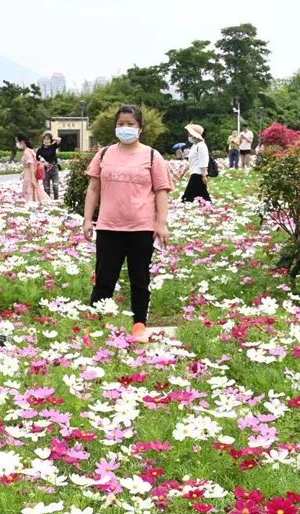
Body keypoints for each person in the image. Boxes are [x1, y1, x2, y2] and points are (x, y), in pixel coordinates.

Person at [82, 104, 172, 344]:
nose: (125, 128)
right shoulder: (104, 155)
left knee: (140, 279)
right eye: (121, 124)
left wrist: (161, 224)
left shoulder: (152, 156)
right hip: (109, 227)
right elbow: (93, 188)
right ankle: (97, 324)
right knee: (104, 278)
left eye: (130, 124)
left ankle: (139, 325)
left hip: (141, 228)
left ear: (140, 128)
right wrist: (87, 219)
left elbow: (161, 191)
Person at [181, 123, 211, 203]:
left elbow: (203, 161)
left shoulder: (201, 146)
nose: (188, 135)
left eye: (190, 134)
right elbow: (191, 161)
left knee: (190, 195)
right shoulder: (194, 146)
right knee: (201, 194)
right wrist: (184, 171)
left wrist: (204, 175)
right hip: (194, 172)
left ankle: (207, 206)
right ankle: (208, 206)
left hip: (198, 174)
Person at [16, 133, 49, 203]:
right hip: (30, 173)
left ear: (22, 142)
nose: (17, 144)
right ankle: (38, 203)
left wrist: (33, 177)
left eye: (18, 141)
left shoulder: (26, 152)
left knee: (29, 190)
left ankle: (32, 204)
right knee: (35, 190)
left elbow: (31, 164)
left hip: (29, 175)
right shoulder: (31, 150)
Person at [36, 132, 62, 200]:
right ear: (42, 140)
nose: (46, 140)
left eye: (48, 139)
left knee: (55, 186)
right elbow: (37, 160)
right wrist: (43, 163)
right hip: (45, 170)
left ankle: (56, 200)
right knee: (46, 188)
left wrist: (51, 138)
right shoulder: (40, 149)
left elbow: (59, 139)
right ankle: (49, 202)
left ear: (50, 140)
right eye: (45, 139)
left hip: (54, 168)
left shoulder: (53, 146)